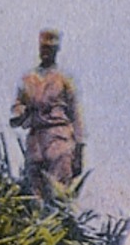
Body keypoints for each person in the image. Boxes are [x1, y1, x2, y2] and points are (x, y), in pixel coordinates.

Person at [11, 29, 86, 203]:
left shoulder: (64, 79)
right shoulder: (28, 79)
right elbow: (17, 106)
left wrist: (79, 150)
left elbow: (75, 114)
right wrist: (19, 112)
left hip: (59, 138)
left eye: (50, 49)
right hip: (35, 139)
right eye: (43, 48)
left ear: (56, 51)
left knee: (58, 192)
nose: (46, 52)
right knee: (35, 194)